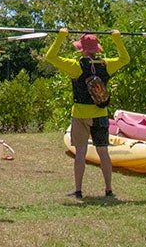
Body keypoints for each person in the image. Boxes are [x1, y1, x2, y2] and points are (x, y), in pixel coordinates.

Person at [43, 27, 130, 199]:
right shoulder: (107, 65)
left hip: (80, 115)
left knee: (81, 152)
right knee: (103, 151)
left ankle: (78, 190)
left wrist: (61, 36)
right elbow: (125, 58)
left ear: (81, 49)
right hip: (100, 114)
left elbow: (50, 57)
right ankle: (108, 189)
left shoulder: (76, 67)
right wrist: (117, 38)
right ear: (97, 49)